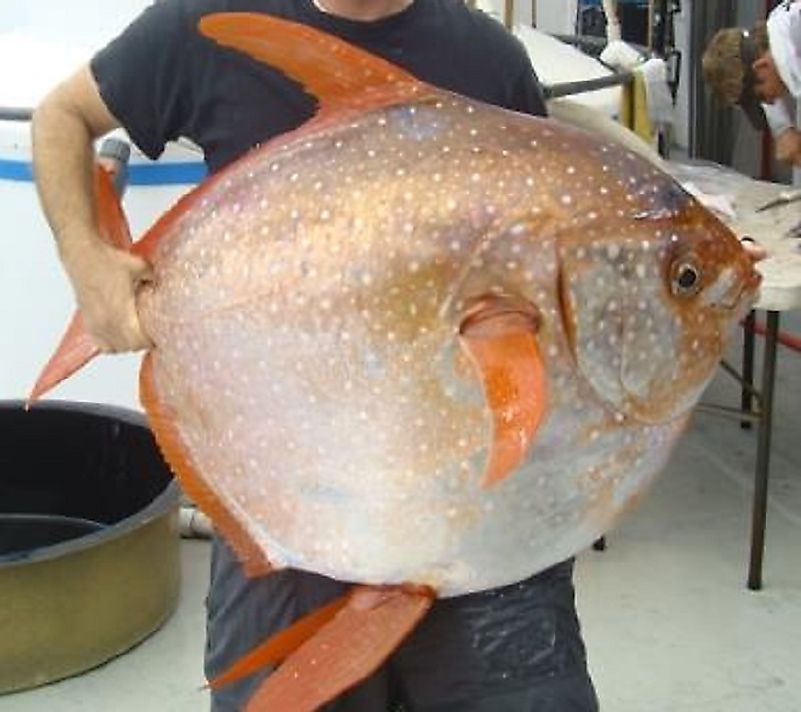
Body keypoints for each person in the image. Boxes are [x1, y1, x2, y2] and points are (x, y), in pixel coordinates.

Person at [30, 1, 602, 710]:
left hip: (468, 504)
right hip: (283, 492)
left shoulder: (491, 60)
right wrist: (88, 262)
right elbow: (62, 117)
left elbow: (547, 246)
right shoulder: (199, 25)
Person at [703, 0, 801, 167]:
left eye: (762, 96)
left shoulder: (790, 62)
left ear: (761, 66)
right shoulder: (779, 25)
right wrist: (783, 129)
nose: (770, 101)